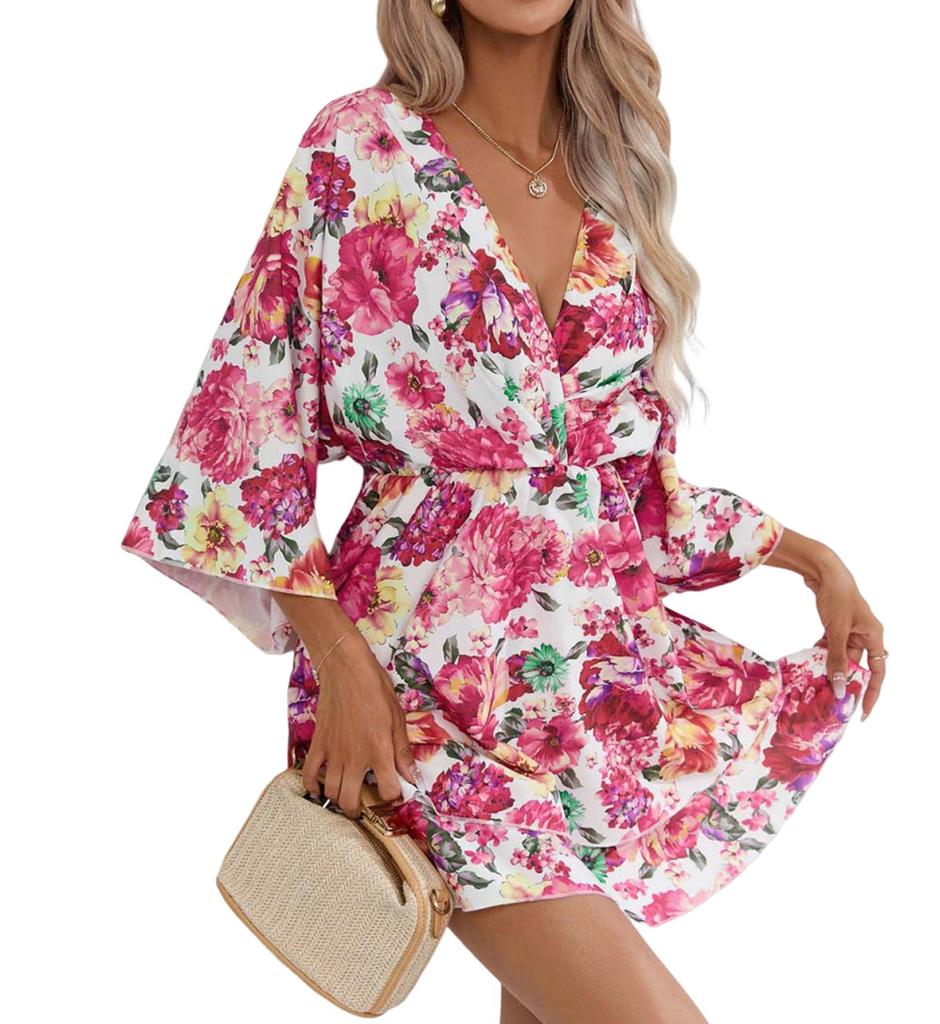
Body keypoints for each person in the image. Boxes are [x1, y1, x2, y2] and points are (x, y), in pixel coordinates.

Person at [119, 2, 888, 1021]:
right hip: (415, 697)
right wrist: (339, 662)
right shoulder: (359, 147)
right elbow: (241, 433)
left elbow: (625, 494)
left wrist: (810, 557)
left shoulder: (610, 172)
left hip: (582, 702)